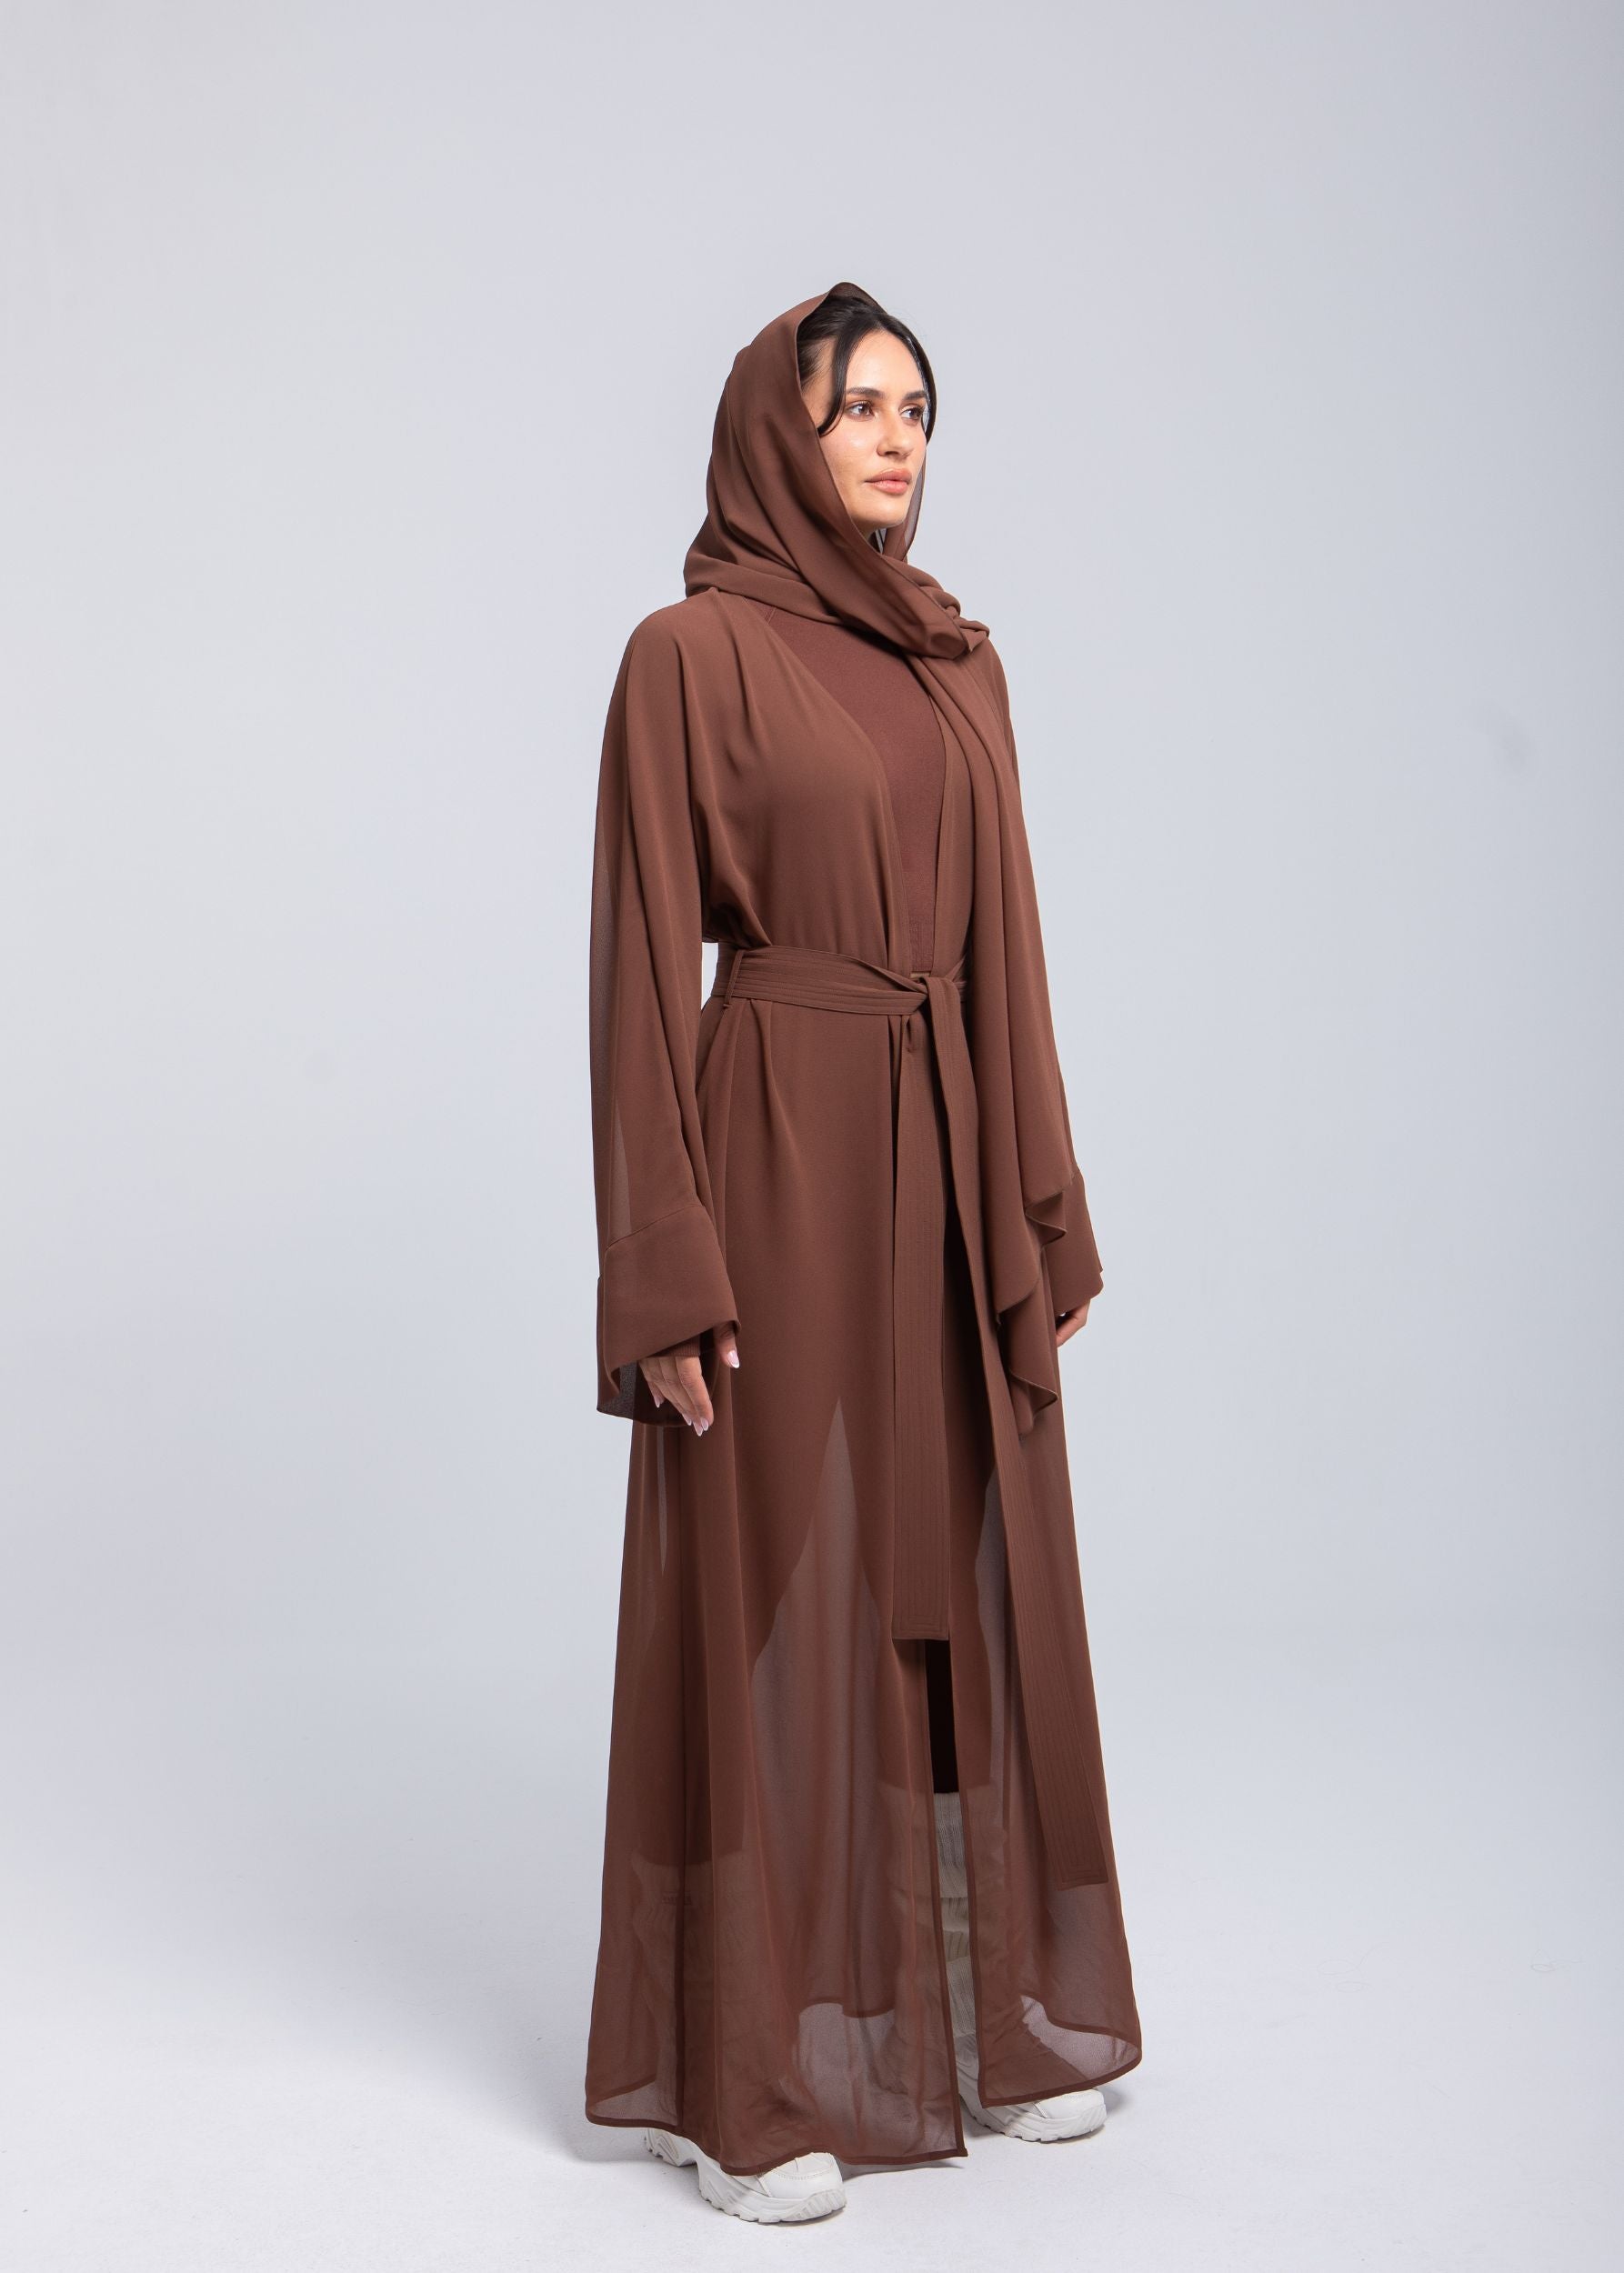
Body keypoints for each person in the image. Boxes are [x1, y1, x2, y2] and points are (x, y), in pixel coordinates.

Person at [584, 281, 1143, 2225]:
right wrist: (663, 1263)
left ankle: (975, 2018)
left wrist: (1039, 1197)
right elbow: (639, 964)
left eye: (917, 408)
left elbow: (1010, 945)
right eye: (856, 409)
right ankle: (737, 2074)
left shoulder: (957, 663)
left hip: (946, 1135)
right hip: (775, 1133)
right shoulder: (688, 654)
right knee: (766, 1564)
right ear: (778, 434)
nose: (896, 440)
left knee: (944, 1556)